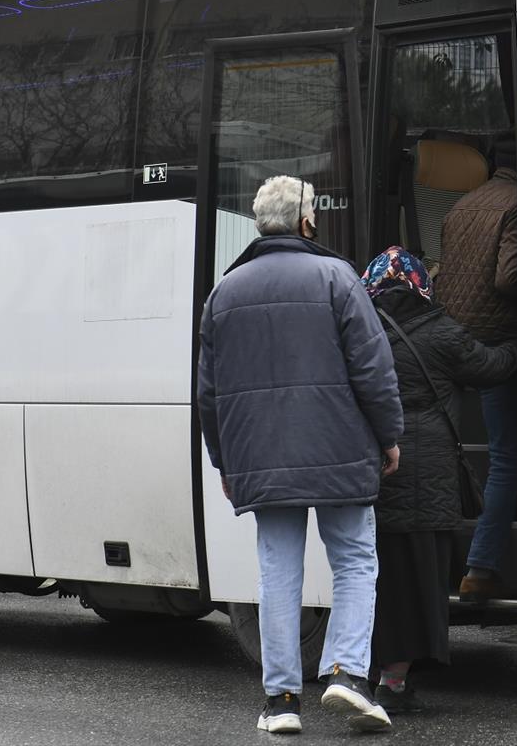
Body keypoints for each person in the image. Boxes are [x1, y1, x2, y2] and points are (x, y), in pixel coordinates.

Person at [197, 175, 403, 735]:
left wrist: (224, 462)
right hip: (340, 448)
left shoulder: (225, 291)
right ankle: (347, 673)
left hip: (261, 458)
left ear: (260, 224)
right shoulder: (337, 277)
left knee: (278, 573)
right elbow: (373, 369)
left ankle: (281, 700)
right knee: (356, 561)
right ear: (308, 221)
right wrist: (389, 436)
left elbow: (209, 394)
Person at [361, 246, 517, 712]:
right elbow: (493, 368)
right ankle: (397, 680)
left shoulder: (361, 331)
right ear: (420, 286)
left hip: (376, 474)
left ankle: (370, 673)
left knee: (380, 578)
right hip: (431, 478)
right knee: (423, 578)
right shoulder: (442, 333)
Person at [436, 139, 517, 601]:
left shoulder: (462, 205)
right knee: (507, 457)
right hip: (497, 347)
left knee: (452, 452)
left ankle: (439, 564)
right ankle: (480, 567)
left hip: (454, 343)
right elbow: (508, 278)